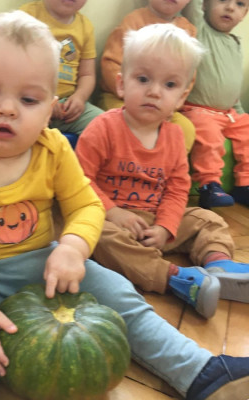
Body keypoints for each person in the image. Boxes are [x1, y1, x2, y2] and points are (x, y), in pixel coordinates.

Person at [0, 12, 249, 400]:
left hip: (45, 263)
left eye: (28, 99)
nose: (7, 109)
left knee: (121, 295)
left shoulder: (54, 148)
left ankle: (201, 370)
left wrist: (72, 248)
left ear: (50, 107)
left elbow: (87, 206)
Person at [76, 23, 249, 319]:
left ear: (182, 96)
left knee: (208, 219)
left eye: (169, 85)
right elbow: (80, 181)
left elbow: (178, 189)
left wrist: (166, 227)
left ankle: (218, 265)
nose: (154, 92)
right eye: (143, 79)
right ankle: (172, 278)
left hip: (156, 221)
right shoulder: (102, 127)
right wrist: (112, 212)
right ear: (121, 84)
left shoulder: (175, 136)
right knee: (97, 235)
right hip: (112, 220)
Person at [98, 0, 197, 152]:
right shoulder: (134, 21)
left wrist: (172, 105)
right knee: (123, 122)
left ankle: (164, 165)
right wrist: (129, 94)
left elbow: (187, 77)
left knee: (186, 129)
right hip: (119, 97)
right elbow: (111, 63)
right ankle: (126, 162)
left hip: (162, 106)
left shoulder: (188, 31)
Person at [181, 0, 249, 208]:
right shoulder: (200, 29)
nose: (230, 7)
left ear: (245, 14)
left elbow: (233, 84)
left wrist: (240, 112)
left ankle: (245, 184)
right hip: (198, 110)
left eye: (240, 4)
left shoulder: (235, 43)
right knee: (209, 138)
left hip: (229, 112)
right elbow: (191, 6)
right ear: (204, 5)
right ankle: (209, 185)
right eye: (222, 0)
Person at [19, 0, 103, 136]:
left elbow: (87, 75)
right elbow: (16, 68)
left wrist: (80, 97)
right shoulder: (27, 17)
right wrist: (43, 99)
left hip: (68, 106)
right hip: (31, 101)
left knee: (106, 127)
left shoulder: (85, 26)